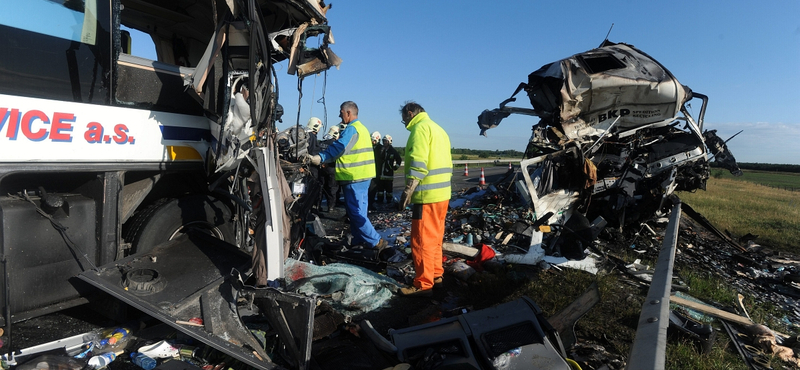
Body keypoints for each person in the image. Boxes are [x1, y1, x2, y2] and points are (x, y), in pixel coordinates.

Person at [308, 101, 387, 252]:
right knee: (359, 211)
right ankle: (359, 238)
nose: (339, 115)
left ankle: (376, 241)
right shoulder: (362, 128)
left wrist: (321, 157)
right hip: (364, 177)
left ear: (348, 113)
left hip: (354, 177)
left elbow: (340, 148)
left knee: (356, 212)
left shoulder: (351, 129)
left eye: (341, 112)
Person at [397, 101, 452, 297]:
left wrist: (409, 188)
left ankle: (423, 283)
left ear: (410, 113)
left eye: (404, 117)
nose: (403, 122)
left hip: (426, 195)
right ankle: (436, 275)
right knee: (435, 239)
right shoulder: (438, 129)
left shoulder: (419, 129)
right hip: (442, 195)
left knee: (421, 241)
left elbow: (419, 161)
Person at [318, 125, 340, 212]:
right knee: (332, 188)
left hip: (321, 168)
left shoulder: (322, 142)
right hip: (331, 169)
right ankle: (330, 207)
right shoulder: (335, 144)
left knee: (320, 188)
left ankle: (318, 205)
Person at [377, 134, 402, 203]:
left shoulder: (393, 151)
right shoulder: (381, 149)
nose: (385, 142)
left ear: (389, 142)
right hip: (381, 174)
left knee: (389, 190)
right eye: (384, 141)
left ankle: (389, 201)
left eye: (386, 141)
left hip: (389, 174)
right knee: (380, 190)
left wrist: (395, 167)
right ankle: (380, 201)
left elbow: (399, 159)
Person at [368, 131, 382, 210]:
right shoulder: (371, 147)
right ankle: (369, 203)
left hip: (376, 171)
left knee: (373, 189)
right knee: (369, 189)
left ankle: (371, 203)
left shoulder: (380, 148)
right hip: (370, 171)